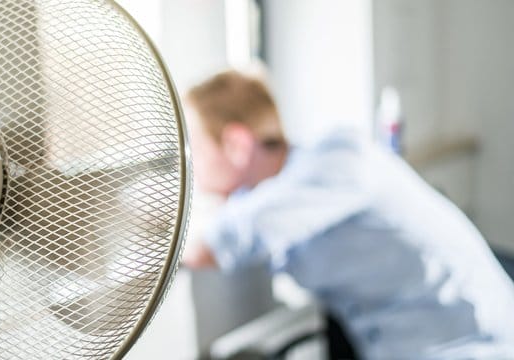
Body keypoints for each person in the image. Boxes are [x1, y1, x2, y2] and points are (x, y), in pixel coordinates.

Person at [182, 70, 514, 359]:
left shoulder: (335, 160)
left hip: (470, 346)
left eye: (195, 146)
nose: (190, 163)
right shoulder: (277, 192)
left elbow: (209, 246)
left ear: (236, 143)